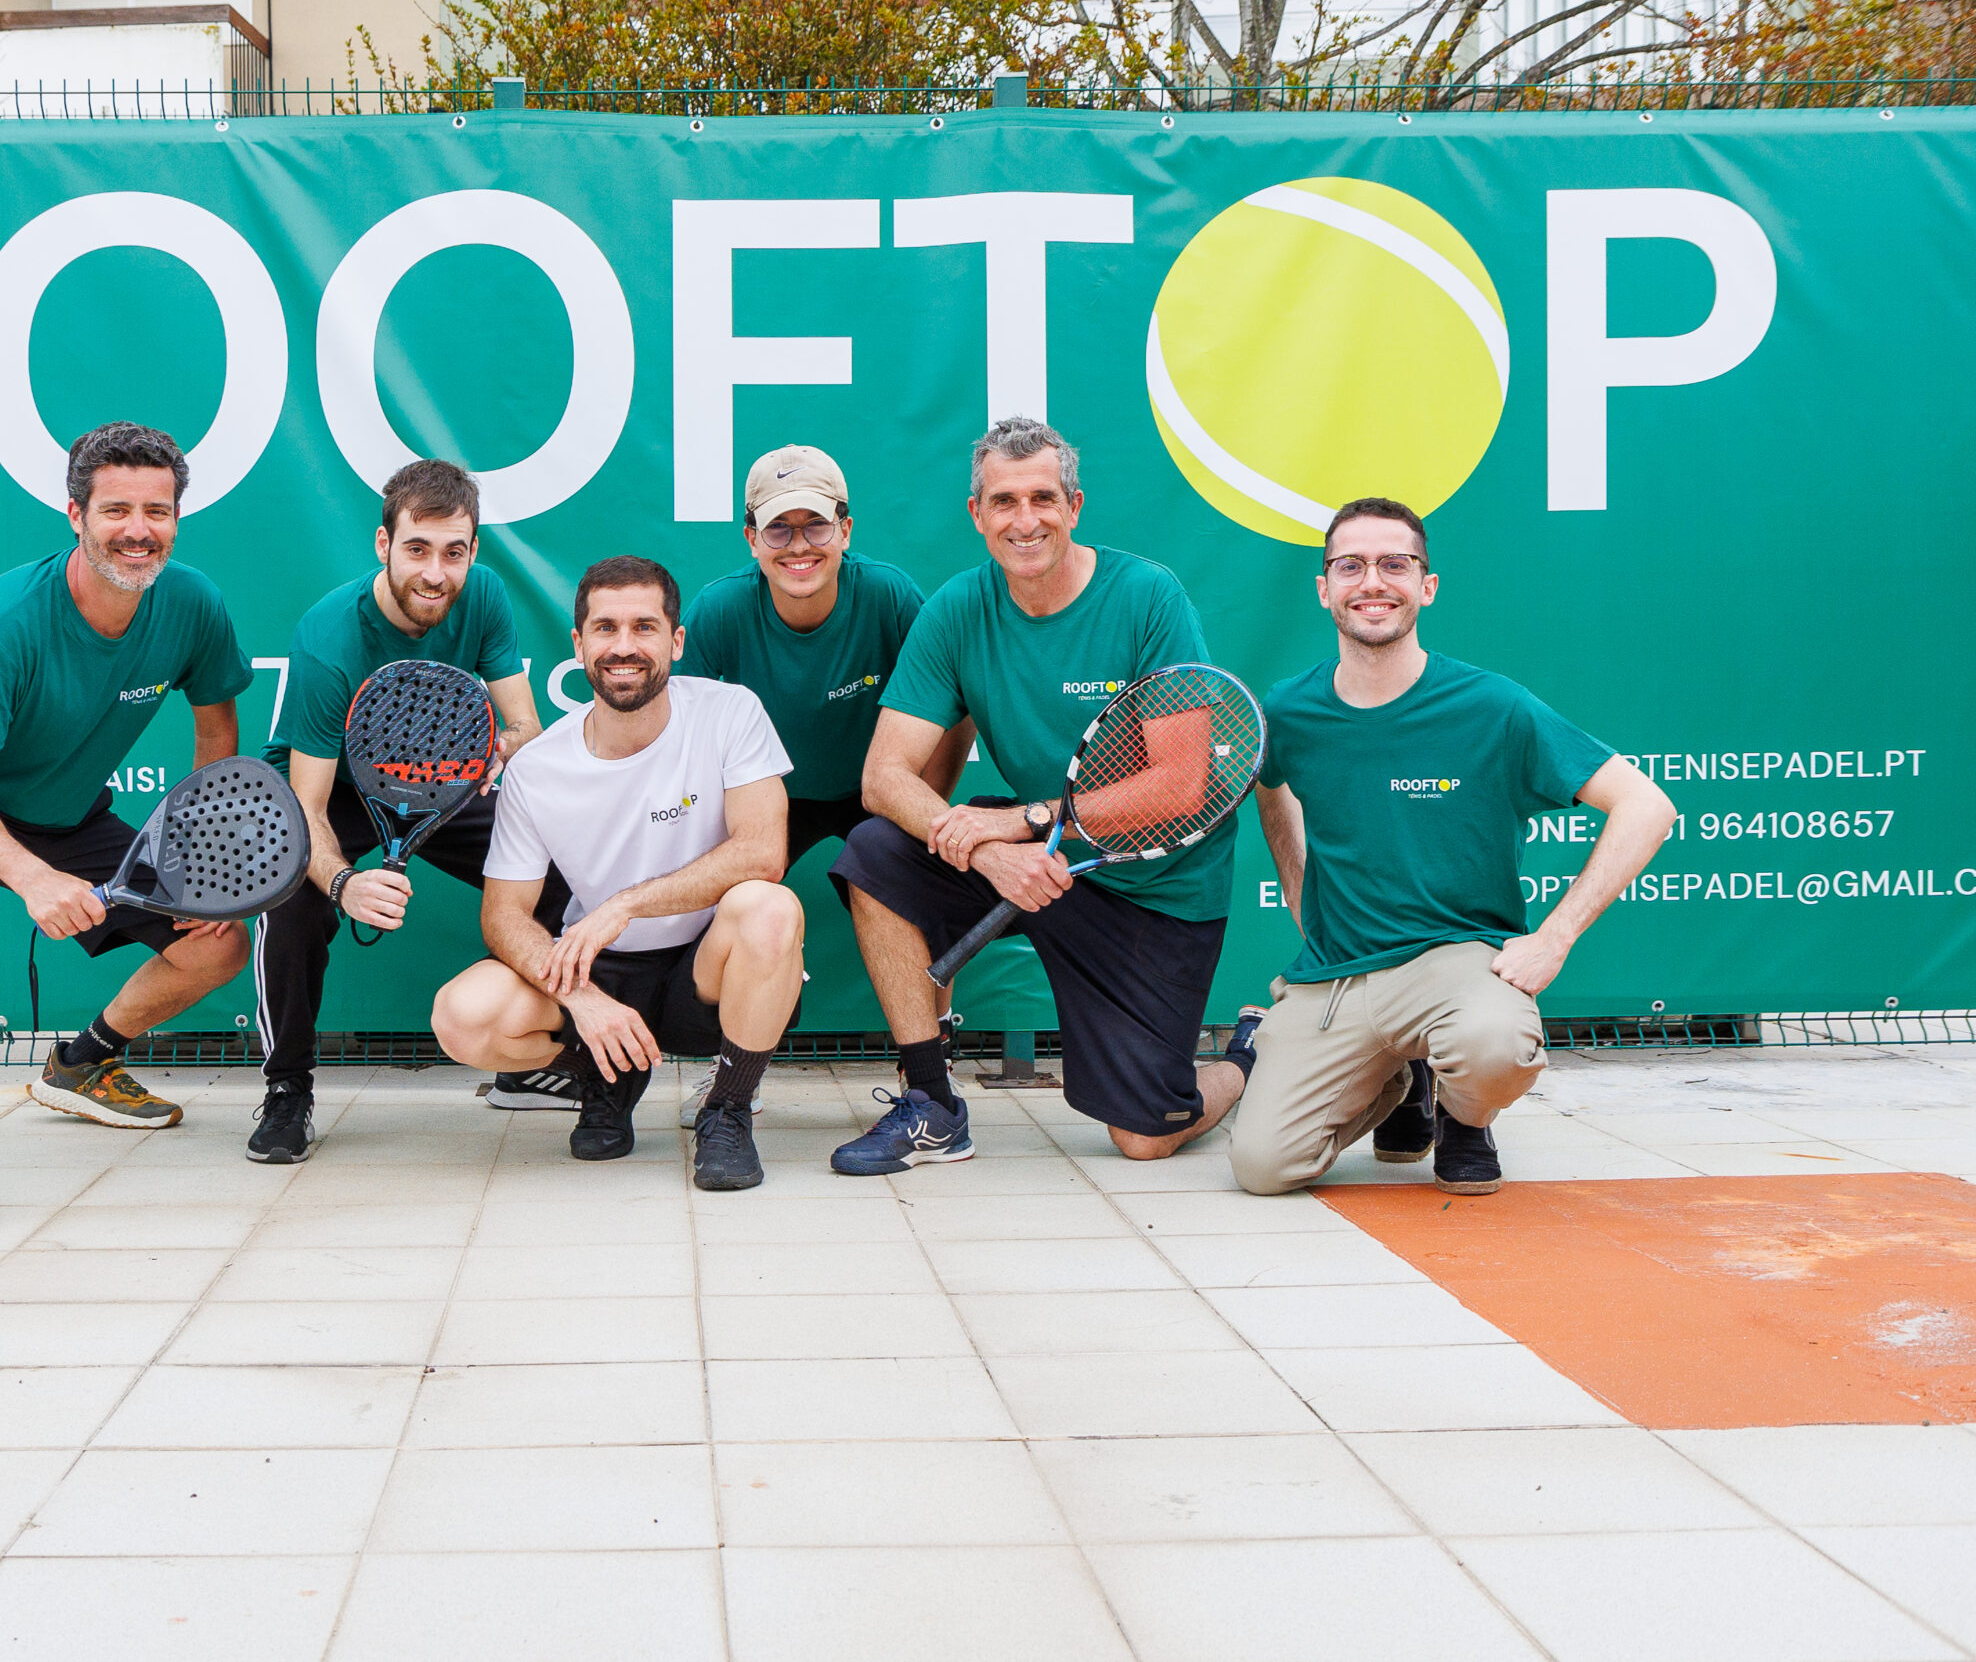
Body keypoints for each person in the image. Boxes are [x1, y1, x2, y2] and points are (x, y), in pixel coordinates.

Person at [828, 417, 1261, 1174]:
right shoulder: (959, 609)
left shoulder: (1148, 596)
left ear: (1075, 505)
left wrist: (1030, 821)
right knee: (875, 855)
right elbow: (883, 778)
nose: (1024, 521)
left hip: (1154, 887)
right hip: (1031, 857)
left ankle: (1254, 1057)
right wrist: (995, 853)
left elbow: (1179, 783)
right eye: (1003, 501)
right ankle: (933, 1106)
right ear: (977, 514)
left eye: (1042, 498)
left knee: (1147, 1136)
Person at [1233, 497, 1675, 1195]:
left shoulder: (1492, 706)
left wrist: (1555, 938)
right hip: (1339, 973)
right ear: (1324, 589)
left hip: (1457, 960)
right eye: (1350, 565)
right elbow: (1270, 783)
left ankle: (1464, 1110)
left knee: (1492, 1048)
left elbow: (1647, 806)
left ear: (1426, 586)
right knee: (1262, 1168)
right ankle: (1398, 1082)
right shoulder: (1288, 707)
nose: (1372, 581)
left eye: (1394, 564)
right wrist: (1297, 879)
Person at [0, 422, 254, 1226]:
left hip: (66, 810)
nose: (139, 529)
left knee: (217, 939)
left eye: (158, 510)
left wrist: (195, 862)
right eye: (117, 509)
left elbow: (217, 732)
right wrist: (33, 877)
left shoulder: (193, 603)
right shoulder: (4, 618)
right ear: (74, 513)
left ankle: (81, 1065)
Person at [431, 556, 807, 1193]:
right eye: (605, 628)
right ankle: (602, 1072)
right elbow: (502, 916)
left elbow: (762, 852)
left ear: (675, 640)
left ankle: (728, 1111)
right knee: (462, 1016)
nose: (624, 647)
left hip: (707, 969)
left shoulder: (730, 712)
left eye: (644, 627)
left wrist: (625, 904)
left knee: (770, 908)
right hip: (598, 971)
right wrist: (580, 999)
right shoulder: (538, 766)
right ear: (578, 644)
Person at [246, 458, 569, 1165]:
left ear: (474, 551)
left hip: (443, 778)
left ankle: (523, 1060)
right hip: (335, 790)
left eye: (454, 552)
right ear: (383, 544)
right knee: (293, 904)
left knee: (555, 874)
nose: (436, 572)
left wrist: (496, 751)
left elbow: (525, 727)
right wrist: (341, 884)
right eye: (417, 548)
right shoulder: (330, 637)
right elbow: (308, 800)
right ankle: (286, 1090)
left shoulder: (482, 595)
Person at [671, 444, 973, 1127]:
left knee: (920, 888)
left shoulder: (890, 596)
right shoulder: (719, 612)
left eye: (816, 525)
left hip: (872, 787)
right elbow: (688, 736)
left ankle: (930, 1056)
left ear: (846, 528)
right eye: (779, 527)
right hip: (767, 791)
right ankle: (731, 1070)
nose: (798, 545)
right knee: (730, 903)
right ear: (751, 537)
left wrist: (928, 801)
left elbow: (955, 703)